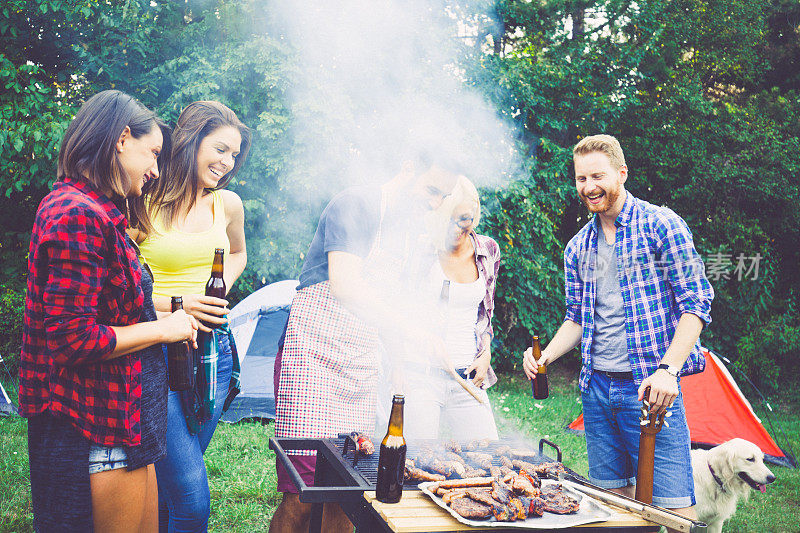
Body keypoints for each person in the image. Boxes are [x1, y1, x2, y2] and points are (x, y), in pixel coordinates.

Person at [18, 90, 198, 532]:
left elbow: (115, 305)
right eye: (152, 153)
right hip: (96, 427)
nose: (156, 170)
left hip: (127, 421)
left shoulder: (102, 212)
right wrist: (164, 329)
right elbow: (74, 339)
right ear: (121, 139)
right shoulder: (75, 213)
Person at [522, 134, 714, 527]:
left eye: (598, 176)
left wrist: (668, 370)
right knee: (614, 510)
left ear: (621, 173)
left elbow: (696, 304)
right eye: (580, 179)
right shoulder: (577, 248)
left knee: (675, 511)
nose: (588, 187)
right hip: (597, 392)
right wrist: (545, 357)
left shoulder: (661, 226)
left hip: (650, 391)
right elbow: (577, 317)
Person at [270, 157, 460, 533]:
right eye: (432, 191)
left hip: (359, 365)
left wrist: (400, 368)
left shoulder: (408, 235)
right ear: (407, 167)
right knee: (302, 493)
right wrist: (414, 331)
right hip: (313, 359)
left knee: (349, 490)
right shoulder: (356, 204)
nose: (436, 204)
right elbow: (344, 284)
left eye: (445, 196)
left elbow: (391, 303)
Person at [131, 101, 251, 532]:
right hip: (157, 353)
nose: (227, 162)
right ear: (191, 139)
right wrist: (182, 304)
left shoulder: (228, 204)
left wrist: (215, 293)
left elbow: (236, 252)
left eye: (235, 155)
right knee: (192, 500)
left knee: (170, 489)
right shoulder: (142, 200)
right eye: (220, 149)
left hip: (212, 354)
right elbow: (124, 293)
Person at [403, 176, 500, 441]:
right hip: (420, 375)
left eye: (464, 218)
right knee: (416, 465)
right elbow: (399, 310)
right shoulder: (419, 249)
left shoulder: (488, 249)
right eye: (447, 220)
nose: (457, 228)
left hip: (468, 376)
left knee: (489, 461)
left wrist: (486, 353)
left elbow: (485, 313)